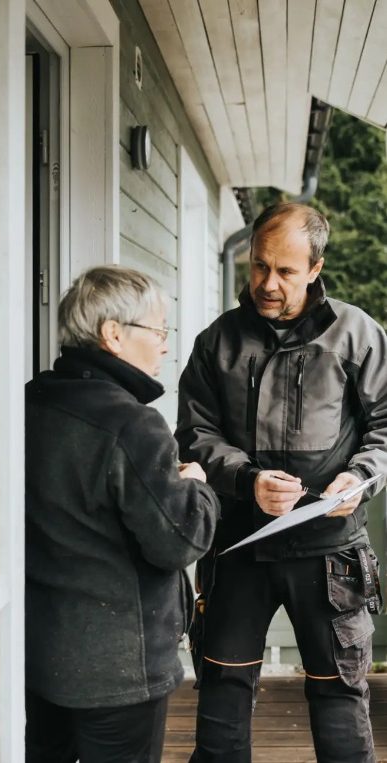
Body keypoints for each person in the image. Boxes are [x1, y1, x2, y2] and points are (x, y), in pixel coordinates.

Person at [175, 202, 387, 763]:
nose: (268, 283)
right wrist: (246, 480)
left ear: (316, 267)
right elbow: (194, 436)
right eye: (260, 266)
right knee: (221, 694)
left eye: (286, 271)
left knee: (339, 696)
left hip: (330, 551)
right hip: (237, 547)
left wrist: (359, 478)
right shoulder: (214, 342)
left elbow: (386, 426)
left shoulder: (357, 334)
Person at [25, 265, 220, 763]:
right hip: (119, 669)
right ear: (114, 334)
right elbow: (179, 539)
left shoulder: (31, 401)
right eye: (157, 330)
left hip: (38, 654)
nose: (163, 345)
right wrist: (198, 487)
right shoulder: (131, 423)